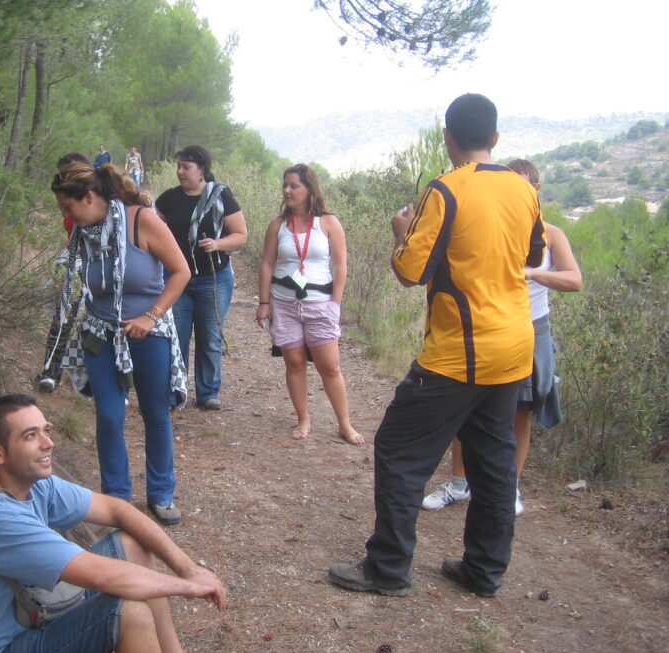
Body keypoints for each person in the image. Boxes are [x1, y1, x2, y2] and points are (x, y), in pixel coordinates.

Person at [328, 93, 546, 598]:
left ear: (448, 137)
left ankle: (387, 568)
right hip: (515, 347)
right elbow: (532, 255)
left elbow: (410, 271)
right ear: (495, 138)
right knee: (494, 462)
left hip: (459, 353)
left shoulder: (445, 190)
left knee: (400, 450)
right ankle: (484, 570)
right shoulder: (525, 190)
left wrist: (401, 233)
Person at [0, 394, 245, 653]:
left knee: (132, 544)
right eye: (31, 436)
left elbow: (117, 510)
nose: (48, 443)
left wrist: (186, 568)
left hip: (29, 618)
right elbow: (104, 576)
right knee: (128, 611)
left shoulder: (32, 484)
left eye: (46, 430)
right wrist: (187, 587)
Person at [423, 158, 582, 516]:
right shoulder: (489, 226)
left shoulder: (551, 233)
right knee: (466, 407)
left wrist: (533, 274)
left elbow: (574, 279)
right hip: (484, 325)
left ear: (535, 192)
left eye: (522, 186)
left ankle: (508, 487)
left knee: (520, 413)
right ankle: (459, 483)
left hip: (531, 327)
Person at [51, 163, 191, 525]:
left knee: (154, 413)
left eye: (69, 207)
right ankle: (117, 497)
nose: (66, 216)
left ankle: (161, 494)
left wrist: (151, 316)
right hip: (100, 332)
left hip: (149, 333)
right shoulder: (85, 230)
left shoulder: (140, 220)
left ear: (90, 197)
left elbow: (181, 272)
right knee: (109, 416)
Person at [256, 164, 364, 444]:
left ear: (309, 189)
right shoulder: (278, 225)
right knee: (294, 362)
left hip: (320, 303)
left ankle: (345, 423)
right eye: (285, 185)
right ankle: (303, 419)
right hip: (284, 303)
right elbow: (267, 263)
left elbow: (341, 266)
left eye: (294, 186)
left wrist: (335, 305)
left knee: (329, 366)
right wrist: (264, 301)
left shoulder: (328, 223)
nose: (287, 191)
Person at [155, 145, 248, 410]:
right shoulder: (168, 199)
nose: (180, 172)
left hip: (214, 278)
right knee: (176, 336)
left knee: (210, 337)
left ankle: (208, 393)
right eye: (179, 166)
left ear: (202, 170)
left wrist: (218, 244)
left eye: (186, 167)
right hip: (176, 279)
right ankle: (176, 391)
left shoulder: (222, 196)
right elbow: (151, 231)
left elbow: (240, 234)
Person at [34, 152, 92, 393]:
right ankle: (51, 371)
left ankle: (94, 377)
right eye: (63, 174)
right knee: (63, 314)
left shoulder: (95, 198)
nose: (65, 178)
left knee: (99, 322)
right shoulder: (66, 199)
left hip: (101, 264)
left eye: (69, 173)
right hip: (74, 260)